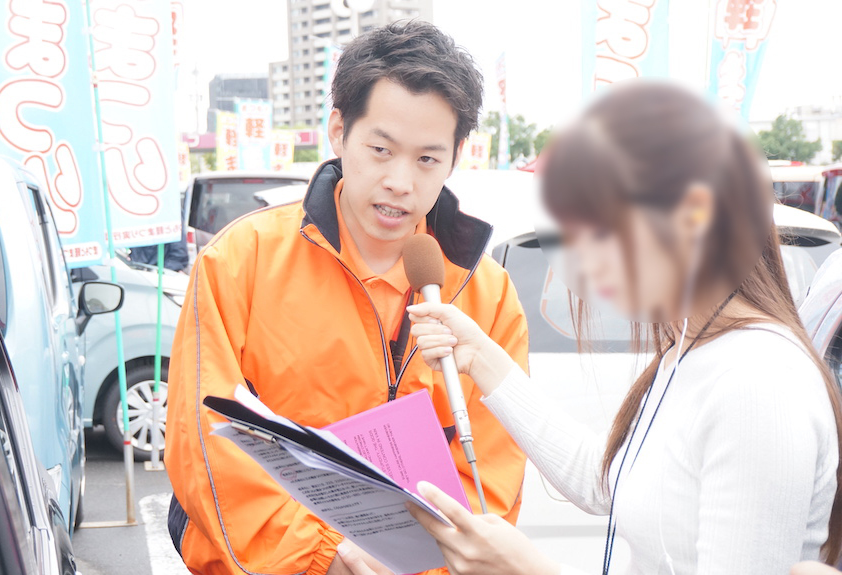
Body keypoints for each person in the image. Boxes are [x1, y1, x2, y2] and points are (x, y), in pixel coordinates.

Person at [346, 82, 842, 574]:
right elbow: (602, 479)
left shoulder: (758, 382)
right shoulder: (692, 347)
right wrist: (479, 356)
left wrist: (528, 570)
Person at [164, 21, 531, 575]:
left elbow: (491, 481)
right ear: (339, 131)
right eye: (380, 150)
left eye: (427, 159)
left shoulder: (490, 295)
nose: (400, 182)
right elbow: (204, 444)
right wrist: (324, 557)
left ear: (456, 155)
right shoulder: (240, 261)